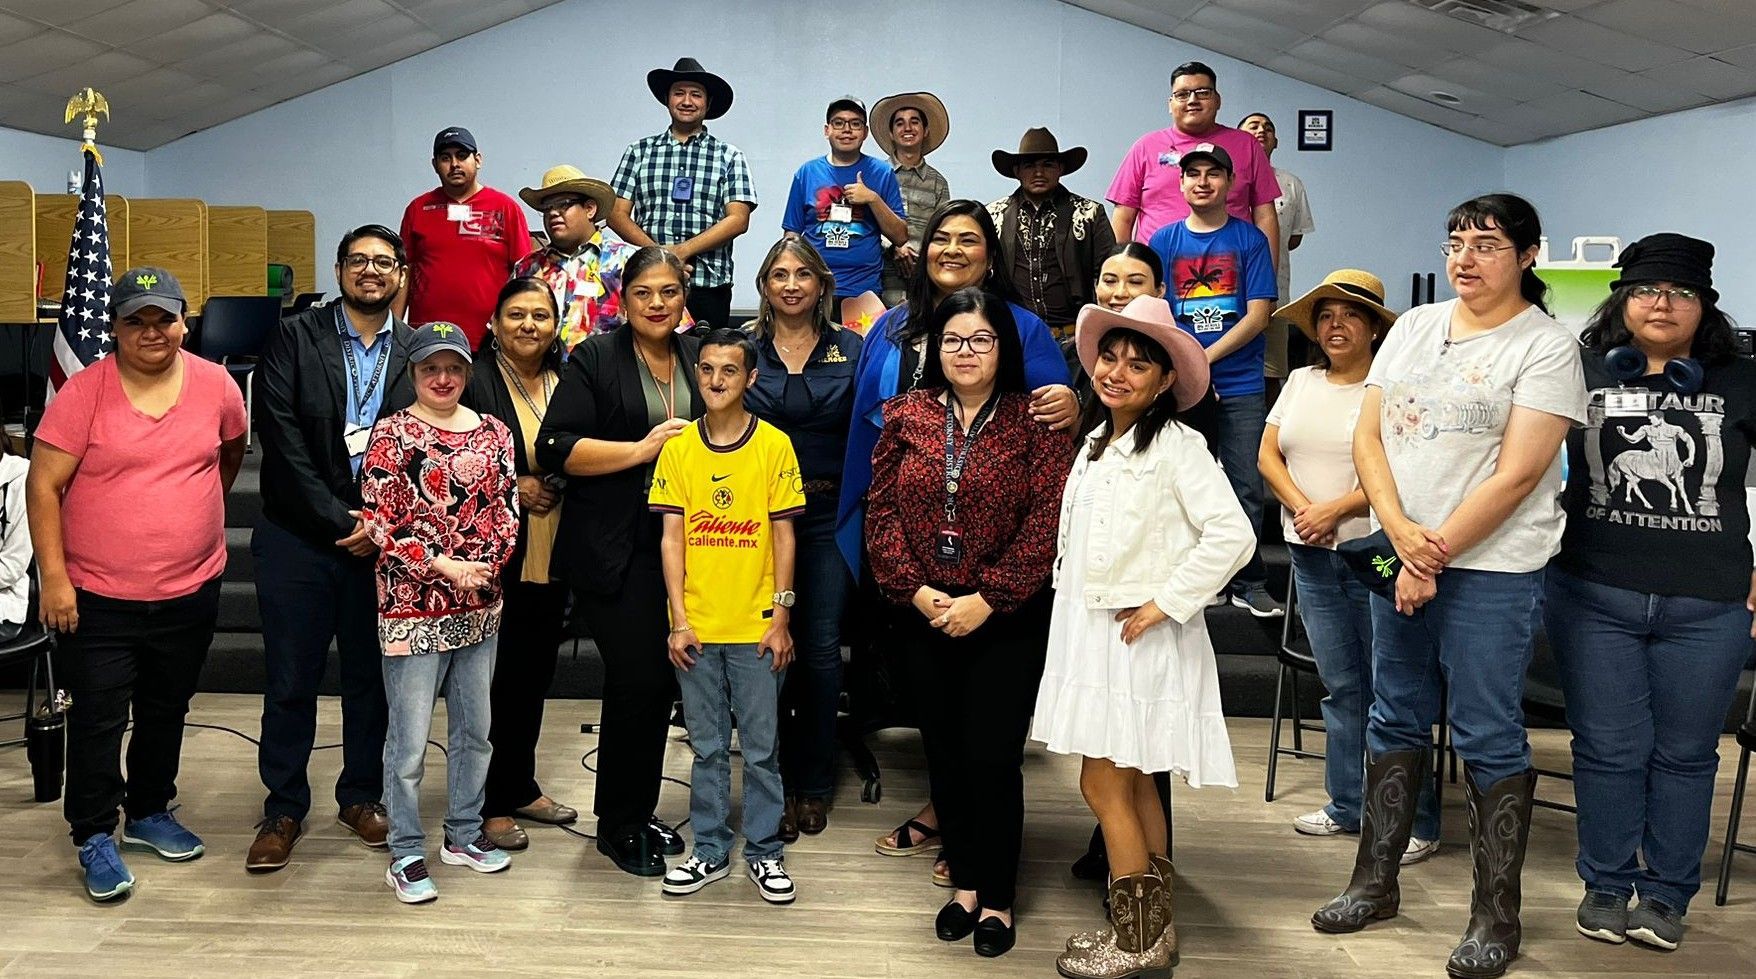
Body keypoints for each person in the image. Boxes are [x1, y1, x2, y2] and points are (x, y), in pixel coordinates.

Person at [1309, 194, 1586, 979]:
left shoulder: (1545, 345)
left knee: (1487, 727)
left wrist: (1429, 556)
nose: (1466, 256)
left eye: (1488, 243)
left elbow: (1520, 473)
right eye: (1456, 241)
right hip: (1402, 546)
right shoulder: (1420, 325)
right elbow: (1367, 434)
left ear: (1529, 254)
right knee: (1392, 709)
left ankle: (1496, 916)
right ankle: (1375, 881)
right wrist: (1399, 532)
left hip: (1491, 567)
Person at [841, 201, 1075, 882]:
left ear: (990, 253)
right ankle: (951, 815)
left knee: (982, 727)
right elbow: (867, 428)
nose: (950, 249)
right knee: (934, 710)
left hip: (994, 558)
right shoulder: (888, 326)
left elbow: (1051, 426)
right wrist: (870, 538)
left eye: (967, 239)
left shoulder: (1022, 327)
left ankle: (970, 842)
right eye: (939, 237)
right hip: (904, 547)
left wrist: (1078, 404)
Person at [1037, 295, 1252, 977]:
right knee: (1129, 784)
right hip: (1093, 626)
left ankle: (1134, 938)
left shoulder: (1177, 446)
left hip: (1135, 635)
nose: (1118, 371)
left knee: (1103, 783)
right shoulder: (1098, 440)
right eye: (1111, 356)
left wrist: (1169, 599)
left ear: (1165, 382)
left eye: (1139, 363)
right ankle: (1154, 931)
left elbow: (1235, 534)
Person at [1551, 233, 1754, 951]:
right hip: (1592, 592)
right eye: (1644, 290)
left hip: (1709, 604)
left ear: (1705, 305)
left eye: (1680, 292)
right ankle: (1605, 882)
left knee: (1688, 754)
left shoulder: (1742, 378)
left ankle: (1666, 894)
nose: (1661, 303)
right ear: (1622, 299)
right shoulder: (1575, 368)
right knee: (1607, 748)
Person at [26, 267, 246, 900]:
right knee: (97, 717)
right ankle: (94, 832)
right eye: (135, 320)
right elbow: (44, 486)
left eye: (164, 318)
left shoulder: (216, 385)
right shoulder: (87, 392)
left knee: (164, 708)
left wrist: (187, 518)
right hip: (96, 595)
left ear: (185, 322)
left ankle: (149, 809)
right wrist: (56, 580)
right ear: (115, 327)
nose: (152, 331)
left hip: (189, 587)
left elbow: (228, 455)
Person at [866, 289, 1071, 958]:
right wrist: (917, 591)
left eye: (980, 340)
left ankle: (1000, 895)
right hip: (925, 609)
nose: (965, 351)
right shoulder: (906, 414)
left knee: (992, 755)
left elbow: (1047, 523)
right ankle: (964, 888)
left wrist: (991, 596)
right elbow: (881, 514)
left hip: (1004, 615)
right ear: (935, 349)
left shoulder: (1035, 421)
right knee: (946, 753)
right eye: (953, 339)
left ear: (1003, 349)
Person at [1259, 270, 1440, 861]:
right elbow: (1266, 454)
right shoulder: (1300, 382)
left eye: (1350, 315)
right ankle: (1346, 804)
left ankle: (1416, 818)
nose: (1336, 325)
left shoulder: (1394, 389)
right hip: (1310, 554)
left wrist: (1336, 507)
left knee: (1397, 686)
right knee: (1341, 685)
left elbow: (1400, 470)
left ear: (1374, 328)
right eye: (1326, 315)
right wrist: (1305, 510)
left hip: (1379, 554)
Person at [251, 226, 415, 872]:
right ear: (341, 269)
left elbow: (425, 442)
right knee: (291, 677)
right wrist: (338, 517)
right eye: (358, 261)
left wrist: (379, 523)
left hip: (382, 547)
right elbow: (280, 434)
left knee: (371, 680)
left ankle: (360, 794)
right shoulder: (297, 335)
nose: (370, 272)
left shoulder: (414, 347)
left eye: (383, 262)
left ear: (401, 273)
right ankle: (284, 805)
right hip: (298, 536)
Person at [535, 247, 703, 877]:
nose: (657, 304)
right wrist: (640, 450)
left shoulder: (696, 355)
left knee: (660, 684)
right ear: (623, 299)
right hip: (614, 548)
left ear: (684, 297)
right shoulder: (596, 356)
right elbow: (556, 447)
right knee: (638, 678)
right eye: (643, 293)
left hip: (684, 546)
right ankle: (617, 823)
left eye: (669, 292)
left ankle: (638, 807)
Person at [359, 322, 520, 903]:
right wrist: (444, 567)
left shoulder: (496, 434)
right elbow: (379, 523)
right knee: (408, 741)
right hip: (412, 605)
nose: (443, 379)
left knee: (476, 732)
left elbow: (508, 511)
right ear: (414, 374)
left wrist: (484, 567)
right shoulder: (393, 435)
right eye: (431, 369)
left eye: (453, 368)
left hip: (479, 605)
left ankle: (463, 834)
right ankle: (405, 852)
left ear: (468, 373)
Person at [650, 328, 806, 903]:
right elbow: (672, 540)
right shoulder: (678, 449)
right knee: (709, 746)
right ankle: (710, 849)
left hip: (758, 627)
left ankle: (765, 853)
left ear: (751, 379)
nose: (717, 381)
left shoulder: (775, 446)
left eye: (730, 371)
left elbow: (784, 536)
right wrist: (678, 619)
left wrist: (781, 617)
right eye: (708, 370)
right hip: (697, 628)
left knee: (761, 749)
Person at [743, 238, 863, 839]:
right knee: (762, 653)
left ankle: (811, 783)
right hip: (752, 523)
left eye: (802, 275)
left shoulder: (855, 350)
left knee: (817, 652)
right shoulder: (742, 351)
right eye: (778, 274)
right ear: (764, 286)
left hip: (826, 518)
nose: (791, 284)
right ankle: (770, 783)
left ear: (821, 285)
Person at [464, 278, 578, 851]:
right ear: (494, 323)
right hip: (492, 555)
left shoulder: (567, 378)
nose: (529, 324)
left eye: (540, 314)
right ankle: (486, 803)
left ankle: (521, 783)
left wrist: (553, 480)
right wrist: (516, 484)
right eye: (516, 314)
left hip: (553, 548)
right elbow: (452, 455)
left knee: (532, 674)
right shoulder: (477, 379)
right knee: (493, 680)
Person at [1148, 144, 1281, 617]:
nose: (1202, 182)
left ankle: (1246, 578)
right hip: (1183, 385)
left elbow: (1259, 314)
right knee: (1187, 483)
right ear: (1180, 184)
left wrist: (1201, 358)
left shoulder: (1249, 241)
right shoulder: (1163, 241)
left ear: (1230, 183)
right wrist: (1188, 367)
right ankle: (1199, 577)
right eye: (1193, 174)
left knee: (1244, 483)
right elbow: (1155, 311)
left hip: (1241, 383)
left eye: (1213, 174)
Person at [609, 58, 756, 330]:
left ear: (708, 103)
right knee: (645, 360)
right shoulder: (638, 151)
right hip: (649, 282)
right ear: (667, 99)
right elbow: (616, 214)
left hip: (708, 285)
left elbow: (738, 219)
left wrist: (681, 251)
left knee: (707, 364)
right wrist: (660, 256)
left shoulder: (729, 156)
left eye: (696, 94)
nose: (687, 101)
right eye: (679, 93)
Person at [1107, 61, 1279, 252]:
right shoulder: (1145, 147)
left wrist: (1267, 274)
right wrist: (1121, 270)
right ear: (1170, 104)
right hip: (1157, 270)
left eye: (1203, 92)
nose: (1192, 100)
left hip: (1232, 269)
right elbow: (1123, 217)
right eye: (1182, 94)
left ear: (1218, 100)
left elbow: (1265, 215)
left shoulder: (1247, 145)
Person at [399, 127, 531, 346]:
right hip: (428, 338)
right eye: (445, 158)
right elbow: (404, 273)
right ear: (435, 165)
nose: (454, 165)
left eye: (462, 156)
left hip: (491, 339)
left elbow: (524, 276)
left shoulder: (506, 208)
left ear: (477, 160)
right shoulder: (418, 209)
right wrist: (396, 333)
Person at [782, 96, 909, 318]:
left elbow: (900, 236)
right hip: (815, 290)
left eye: (855, 123)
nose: (847, 130)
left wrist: (873, 199)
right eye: (839, 123)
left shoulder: (881, 172)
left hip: (864, 291)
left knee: (860, 352)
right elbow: (791, 235)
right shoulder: (807, 173)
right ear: (827, 130)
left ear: (865, 132)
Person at [986, 128, 1117, 339]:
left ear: (1061, 168)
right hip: (1012, 336)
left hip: (1074, 336)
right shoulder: (993, 216)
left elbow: (1108, 274)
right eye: (1029, 165)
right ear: (1017, 171)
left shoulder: (1089, 213)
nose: (1039, 173)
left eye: (1047, 165)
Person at [514, 165, 653, 351]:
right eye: (547, 208)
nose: (553, 213)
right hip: (540, 377)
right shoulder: (527, 268)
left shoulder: (630, 262)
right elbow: (505, 329)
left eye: (564, 204)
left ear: (589, 209)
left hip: (610, 377)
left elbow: (664, 330)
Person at [1239, 112, 1316, 391]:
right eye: (1253, 126)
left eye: (1268, 128)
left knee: (1271, 373)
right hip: (1228, 291)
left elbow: (1294, 239)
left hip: (1275, 293)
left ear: (1276, 142)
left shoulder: (1290, 184)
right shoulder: (1226, 179)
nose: (1262, 131)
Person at [872, 91, 952, 308]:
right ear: (891, 133)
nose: (907, 128)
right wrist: (894, 247)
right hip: (879, 278)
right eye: (900, 123)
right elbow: (863, 224)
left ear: (925, 131)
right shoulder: (874, 175)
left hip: (923, 279)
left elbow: (943, 232)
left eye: (914, 122)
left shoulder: (938, 183)